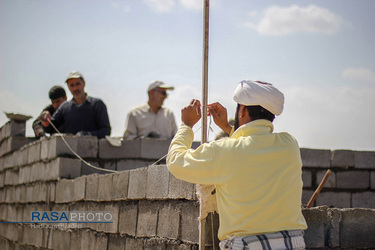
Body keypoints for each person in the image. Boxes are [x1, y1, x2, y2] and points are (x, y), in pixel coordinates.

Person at [167, 80, 307, 249]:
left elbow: (175, 162)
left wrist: (186, 126)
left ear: (242, 111)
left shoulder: (224, 151)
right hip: (292, 243)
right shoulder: (289, 144)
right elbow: (251, 148)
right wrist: (227, 127)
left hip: (246, 244)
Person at [41, 71, 111, 139]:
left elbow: (106, 131)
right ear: (68, 87)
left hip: (93, 149)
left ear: (84, 84)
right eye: (72, 85)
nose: (75, 88)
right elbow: (50, 129)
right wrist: (45, 120)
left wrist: (87, 135)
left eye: (78, 84)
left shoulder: (97, 104)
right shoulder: (65, 107)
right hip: (70, 150)